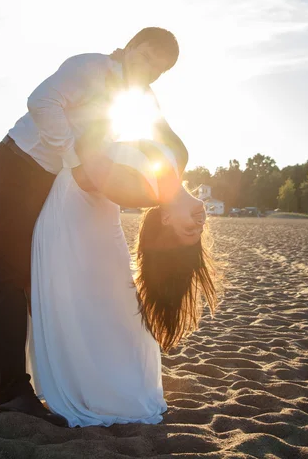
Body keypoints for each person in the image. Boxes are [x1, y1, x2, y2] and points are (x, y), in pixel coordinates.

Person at [0, 27, 180, 426]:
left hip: (55, 183)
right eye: (146, 60)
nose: (148, 75)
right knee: (10, 276)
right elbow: (41, 101)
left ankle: (62, 382)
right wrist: (77, 156)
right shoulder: (89, 67)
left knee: (48, 276)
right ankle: (12, 395)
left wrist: (174, 180)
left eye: (157, 72)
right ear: (129, 48)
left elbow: (163, 141)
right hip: (16, 166)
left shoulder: (140, 97)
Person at [25, 136, 218, 427]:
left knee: (108, 303)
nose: (200, 223)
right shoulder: (177, 162)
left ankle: (100, 379)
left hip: (75, 206)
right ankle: (97, 378)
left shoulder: (142, 191)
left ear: (166, 219)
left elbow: (91, 155)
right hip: (79, 204)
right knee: (103, 299)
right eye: (197, 231)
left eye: (188, 229)